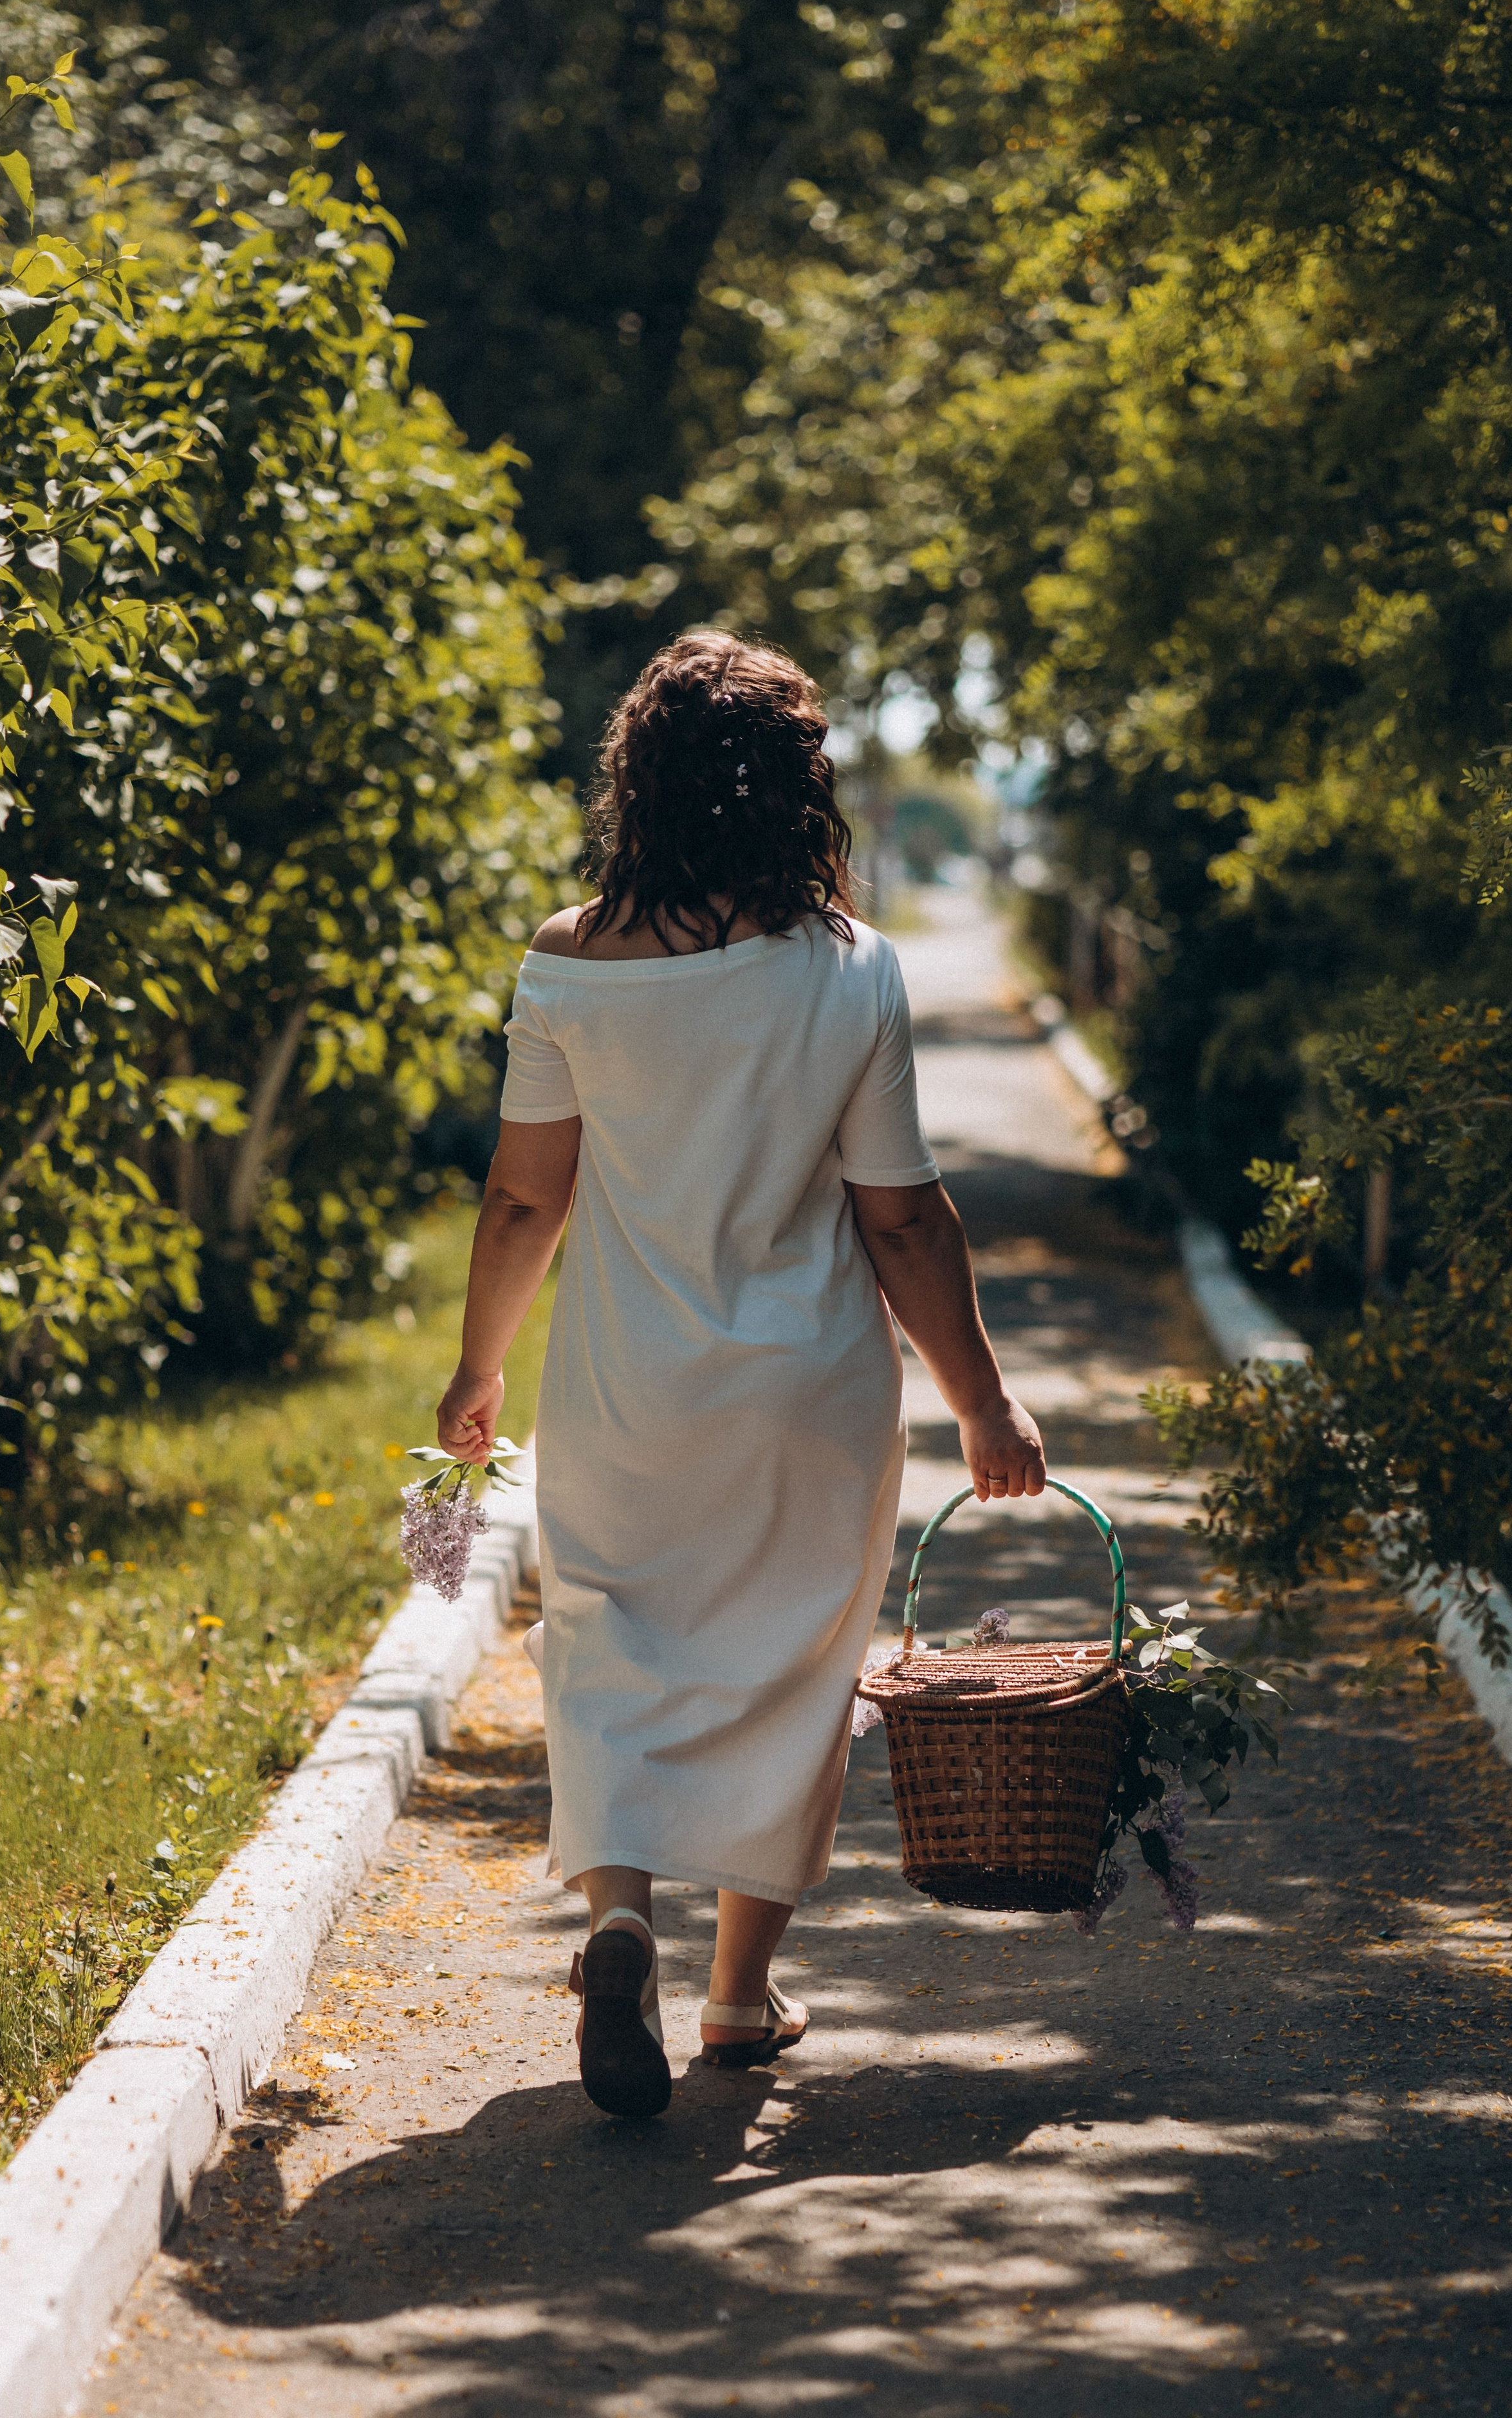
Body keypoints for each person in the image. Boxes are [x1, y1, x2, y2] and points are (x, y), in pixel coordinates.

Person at [436, 630, 1044, 2119]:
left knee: (606, 1637)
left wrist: (475, 1371)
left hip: (623, 1386)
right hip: (810, 1394)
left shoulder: (565, 963)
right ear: (795, 789)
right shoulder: (850, 970)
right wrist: (981, 1398)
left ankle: (617, 1919)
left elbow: (524, 1200)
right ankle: (735, 1995)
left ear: (634, 781)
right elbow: (898, 1214)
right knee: (791, 1662)